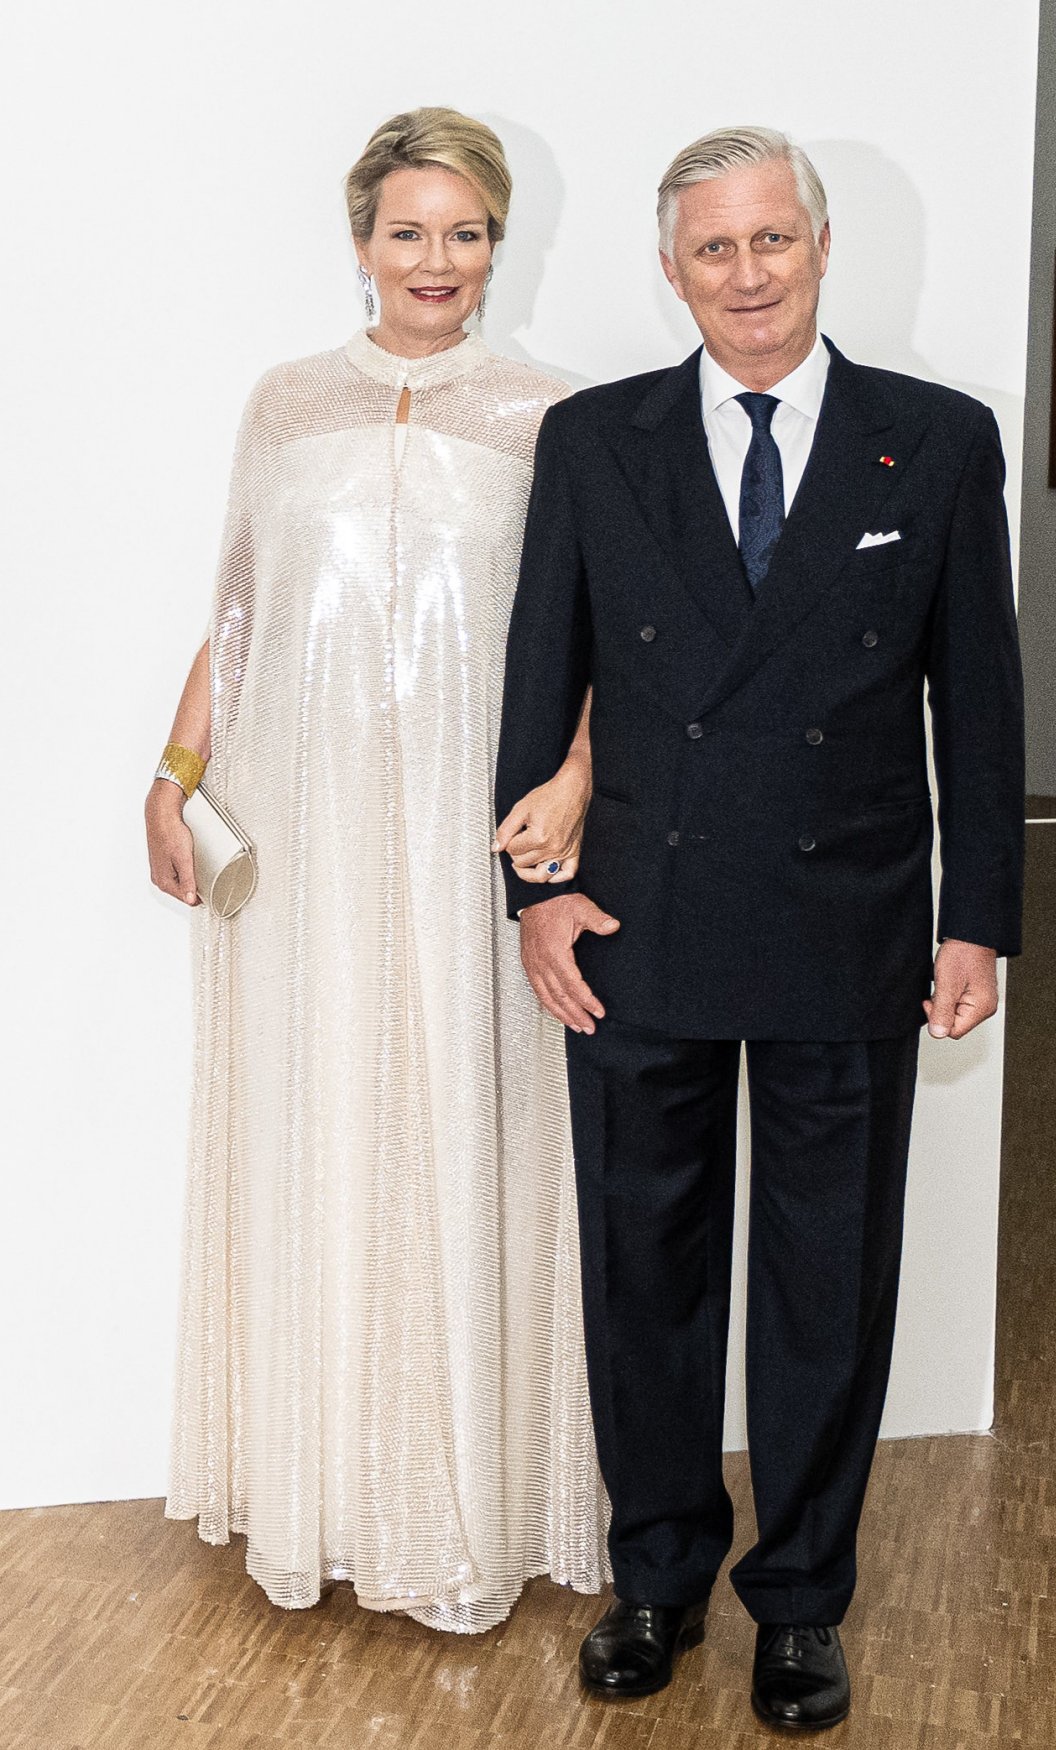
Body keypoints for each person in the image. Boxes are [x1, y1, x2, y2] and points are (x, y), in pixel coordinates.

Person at [495, 126, 1024, 1728]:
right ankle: (654, 1572)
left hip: (848, 925)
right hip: (639, 921)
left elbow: (981, 708)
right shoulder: (597, 441)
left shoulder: (931, 441)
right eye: (712, 250)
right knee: (642, 1271)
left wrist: (976, 918)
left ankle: (800, 1596)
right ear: (672, 269)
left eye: (772, 240)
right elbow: (543, 670)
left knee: (824, 1277)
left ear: (821, 243)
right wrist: (534, 886)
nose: (747, 275)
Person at [145, 107, 608, 1631]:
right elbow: (238, 607)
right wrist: (176, 773)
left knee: (474, 1123)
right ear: (360, 243)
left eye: (465, 231)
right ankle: (327, 1490)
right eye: (408, 230)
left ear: (498, 244)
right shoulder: (284, 405)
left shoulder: (556, 416)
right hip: (310, 831)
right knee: (324, 1118)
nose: (436, 260)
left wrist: (579, 775)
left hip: (470, 839)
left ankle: (471, 1494)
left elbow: (604, 638)